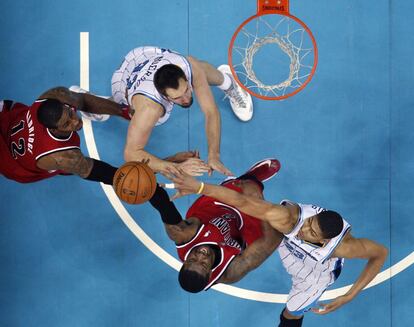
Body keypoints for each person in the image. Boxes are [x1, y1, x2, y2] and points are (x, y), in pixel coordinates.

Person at [168, 167, 388, 326]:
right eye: (309, 223)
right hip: (285, 241)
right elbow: (241, 202)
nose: (304, 230)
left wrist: (350, 294)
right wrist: (200, 187)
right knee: (259, 213)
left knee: (292, 312)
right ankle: (250, 180)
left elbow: (380, 254)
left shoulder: (342, 249)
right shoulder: (289, 220)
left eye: (311, 233)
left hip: (315, 271)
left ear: (324, 241)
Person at [0, 86, 200, 184]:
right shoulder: (65, 157)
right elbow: (118, 176)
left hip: (7, 121)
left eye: (70, 113)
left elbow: (83, 100)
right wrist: (169, 162)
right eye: (67, 124)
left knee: (77, 98)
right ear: (53, 129)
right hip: (14, 163)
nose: (75, 121)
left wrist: (124, 111)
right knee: (71, 169)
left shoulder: (55, 96)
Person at [111, 46, 253, 177]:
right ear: (165, 96)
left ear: (185, 78)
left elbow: (211, 112)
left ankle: (229, 83)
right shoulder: (150, 109)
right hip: (125, 77)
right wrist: (176, 166)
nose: (186, 99)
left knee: (199, 69)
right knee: (131, 112)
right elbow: (131, 153)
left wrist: (213, 156)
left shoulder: (188, 65)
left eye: (186, 90)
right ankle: (109, 105)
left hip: (144, 55)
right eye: (177, 98)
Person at [149, 159, 283, 292]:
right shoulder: (230, 272)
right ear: (210, 273)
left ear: (184, 263)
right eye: (203, 264)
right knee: (279, 225)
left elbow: (162, 203)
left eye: (192, 260)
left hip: (215, 208)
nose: (201, 255)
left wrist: (148, 173)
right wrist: (258, 200)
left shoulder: (182, 234)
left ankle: (249, 178)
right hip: (242, 227)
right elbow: (271, 241)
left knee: (246, 184)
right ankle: (253, 188)